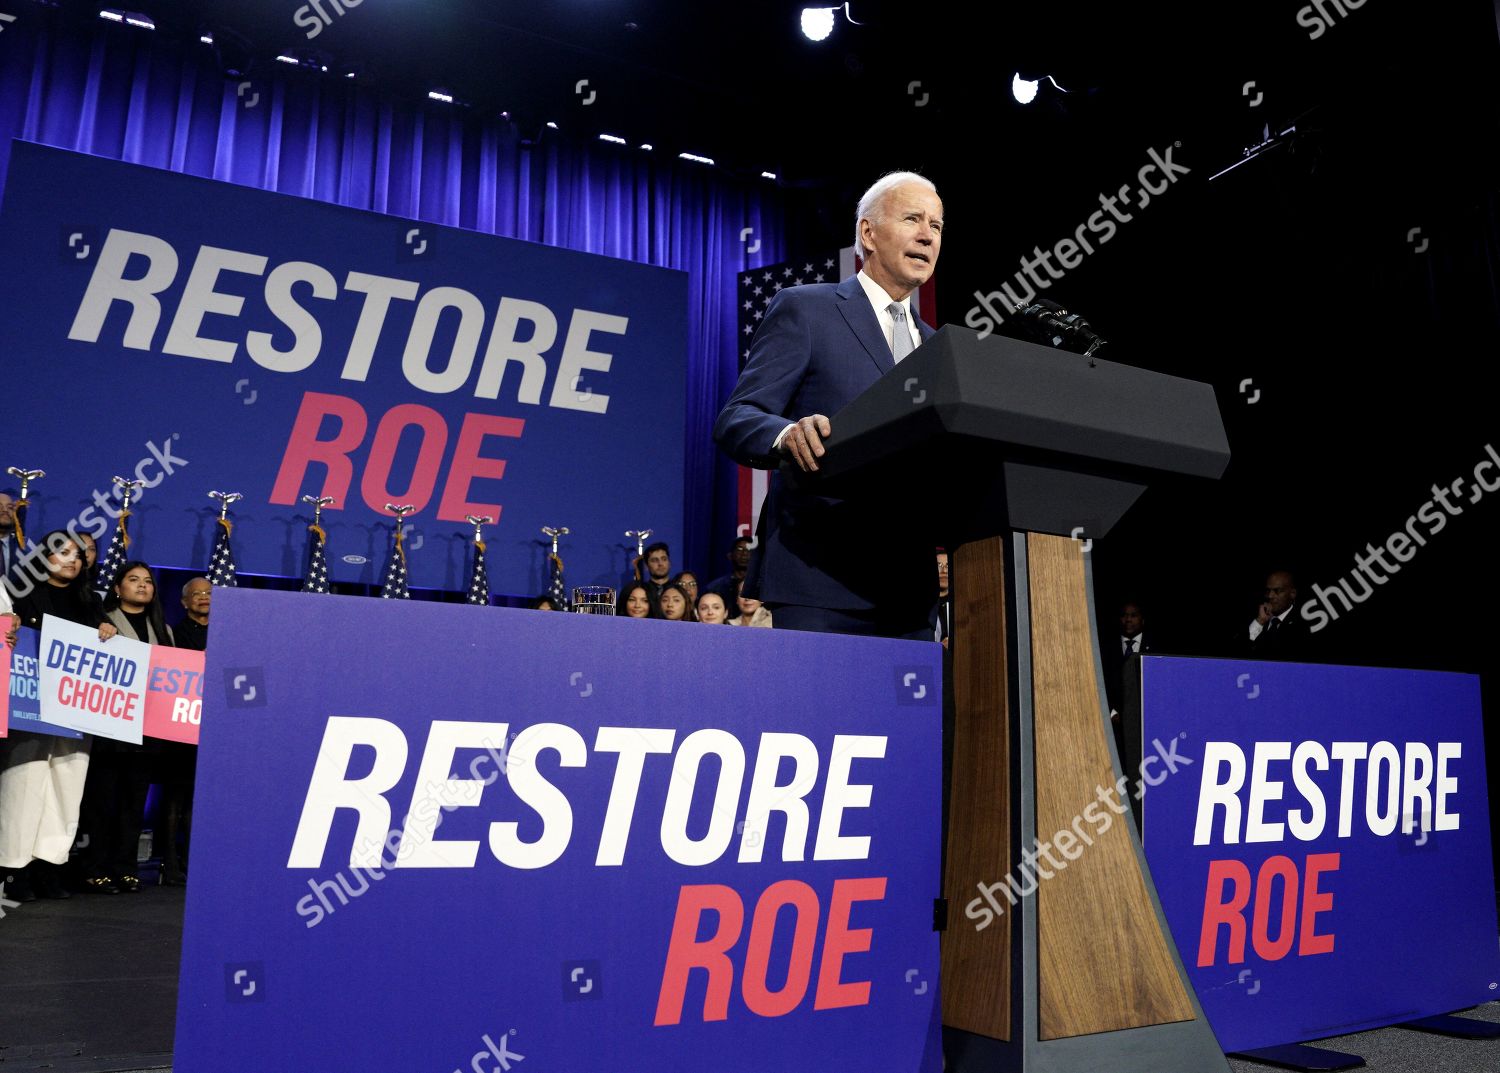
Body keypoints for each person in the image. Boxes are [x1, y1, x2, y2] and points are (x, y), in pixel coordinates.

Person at [714, 171, 943, 638]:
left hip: (909, 590)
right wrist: (786, 435)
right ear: (868, 233)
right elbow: (738, 418)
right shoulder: (807, 309)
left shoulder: (938, 350)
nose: (927, 235)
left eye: (937, 226)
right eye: (913, 219)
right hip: (817, 578)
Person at [1, 531, 116, 902]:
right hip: (30, 705)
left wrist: (107, 632)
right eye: (61, 552)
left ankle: (49, 867)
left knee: (66, 787)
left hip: (76, 709)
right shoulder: (19, 595)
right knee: (24, 783)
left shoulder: (90, 603)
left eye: (78, 555)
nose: (71, 559)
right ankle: (14, 869)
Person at [81, 561, 174, 893]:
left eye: (147, 581)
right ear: (117, 588)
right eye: (133, 580)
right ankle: (96, 868)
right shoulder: (101, 623)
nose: (142, 586)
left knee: (134, 803)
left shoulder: (164, 630)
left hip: (147, 729)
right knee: (103, 801)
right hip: (109, 728)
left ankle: (126, 867)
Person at [1244, 570, 1309, 661]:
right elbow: (1239, 651)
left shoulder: (1302, 625)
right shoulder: (1259, 617)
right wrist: (1259, 622)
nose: (1270, 596)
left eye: (1277, 591)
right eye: (1268, 591)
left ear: (1292, 593)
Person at [704, 536, 753, 607]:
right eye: (739, 549)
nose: (745, 553)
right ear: (730, 555)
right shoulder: (715, 588)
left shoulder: (763, 587)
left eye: (749, 549)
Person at [176, 577, 211, 650]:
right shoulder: (177, 633)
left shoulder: (224, 630)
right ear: (185, 602)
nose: (204, 597)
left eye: (209, 593)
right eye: (196, 593)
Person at [930, 550, 953, 648]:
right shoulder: (927, 606)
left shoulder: (959, 605)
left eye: (948, 566)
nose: (944, 571)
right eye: (939, 565)